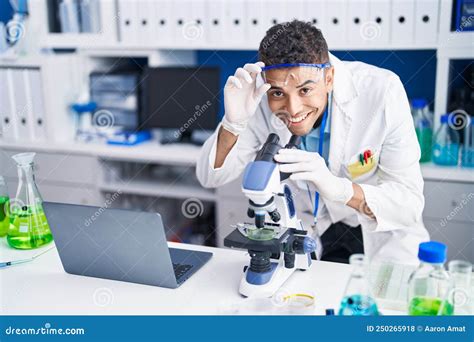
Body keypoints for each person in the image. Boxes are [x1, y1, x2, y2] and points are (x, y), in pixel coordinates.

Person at [196, 20, 429, 264]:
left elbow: (409, 204)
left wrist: (340, 189)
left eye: (305, 90)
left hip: (379, 233)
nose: (293, 109)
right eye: (278, 93)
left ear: (329, 78)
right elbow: (209, 176)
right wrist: (233, 124)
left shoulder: (382, 92)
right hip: (311, 233)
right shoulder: (258, 100)